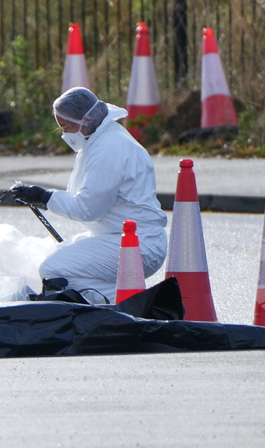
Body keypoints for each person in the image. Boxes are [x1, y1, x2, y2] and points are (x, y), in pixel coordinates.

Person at [10, 87, 168, 303]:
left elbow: (88, 208)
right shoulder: (100, 139)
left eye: (66, 127)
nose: (65, 135)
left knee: (54, 269)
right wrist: (41, 197)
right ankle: (119, 301)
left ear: (84, 119)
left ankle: (134, 303)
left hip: (139, 245)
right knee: (58, 256)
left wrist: (43, 197)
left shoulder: (108, 147)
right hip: (125, 237)